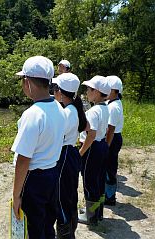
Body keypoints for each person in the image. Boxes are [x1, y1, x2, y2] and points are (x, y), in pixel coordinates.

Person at [12, 56, 66, 238]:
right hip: (52, 174)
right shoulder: (59, 107)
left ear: (27, 82)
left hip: (33, 179)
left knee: (33, 227)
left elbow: (23, 159)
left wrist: (16, 195)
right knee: (47, 223)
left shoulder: (32, 114)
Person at [52, 73, 88, 238]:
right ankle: (70, 230)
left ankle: (65, 234)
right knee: (70, 195)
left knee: (62, 197)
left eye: (54, 88)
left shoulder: (66, 112)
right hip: (71, 153)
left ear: (60, 91)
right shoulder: (74, 108)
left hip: (65, 154)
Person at [78, 75, 111, 225]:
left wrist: (80, 153)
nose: (87, 92)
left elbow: (90, 134)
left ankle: (90, 217)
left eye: (89, 89)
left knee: (89, 181)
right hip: (102, 146)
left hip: (92, 148)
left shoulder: (93, 111)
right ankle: (97, 212)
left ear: (97, 92)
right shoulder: (105, 108)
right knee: (99, 180)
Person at [105, 75, 124, 206]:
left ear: (114, 91)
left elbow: (110, 129)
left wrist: (106, 147)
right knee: (109, 166)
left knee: (109, 167)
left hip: (112, 138)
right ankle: (107, 195)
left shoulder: (113, 107)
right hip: (114, 137)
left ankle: (110, 197)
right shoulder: (112, 102)